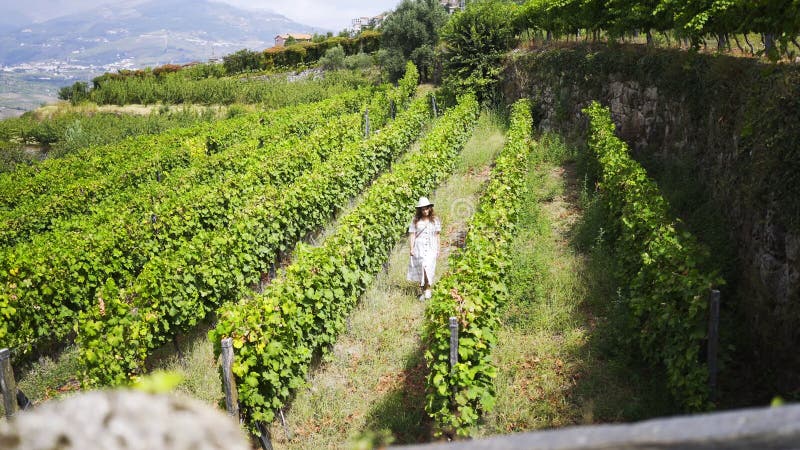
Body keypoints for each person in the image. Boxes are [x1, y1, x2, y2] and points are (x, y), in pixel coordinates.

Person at [407, 196, 441, 301]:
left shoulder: (435, 220)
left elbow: (437, 235)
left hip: (431, 247)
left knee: (428, 267)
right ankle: (424, 290)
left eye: (427, 208)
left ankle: (428, 289)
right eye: (423, 209)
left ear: (430, 208)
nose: (425, 211)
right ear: (420, 210)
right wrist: (411, 248)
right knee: (421, 268)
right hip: (419, 247)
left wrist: (438, 249)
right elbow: (412, 234)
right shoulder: (415, 220)